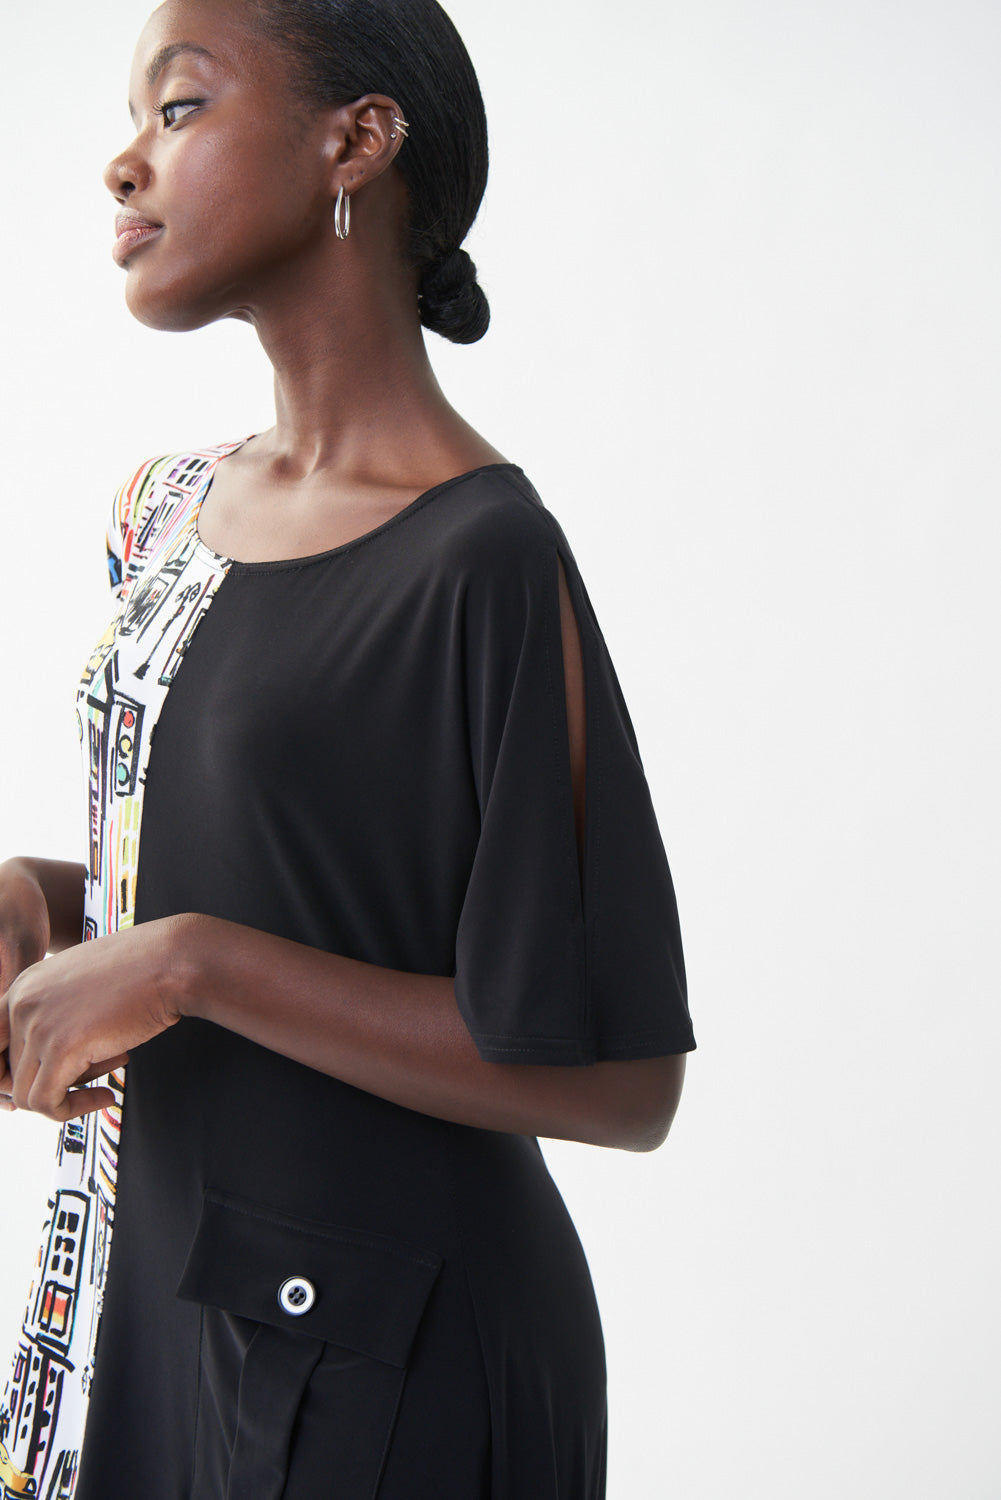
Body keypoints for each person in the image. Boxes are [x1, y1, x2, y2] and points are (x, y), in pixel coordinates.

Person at [0, 0, 695, 1494]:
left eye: (178, 108)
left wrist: (181, 965)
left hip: (390, 1363)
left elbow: (620, 1076)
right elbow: (286, 876)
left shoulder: (483, 556)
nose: (124, 164)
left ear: (357, 141)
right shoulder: (160, 515)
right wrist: (52, 905)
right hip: (150, 1293)